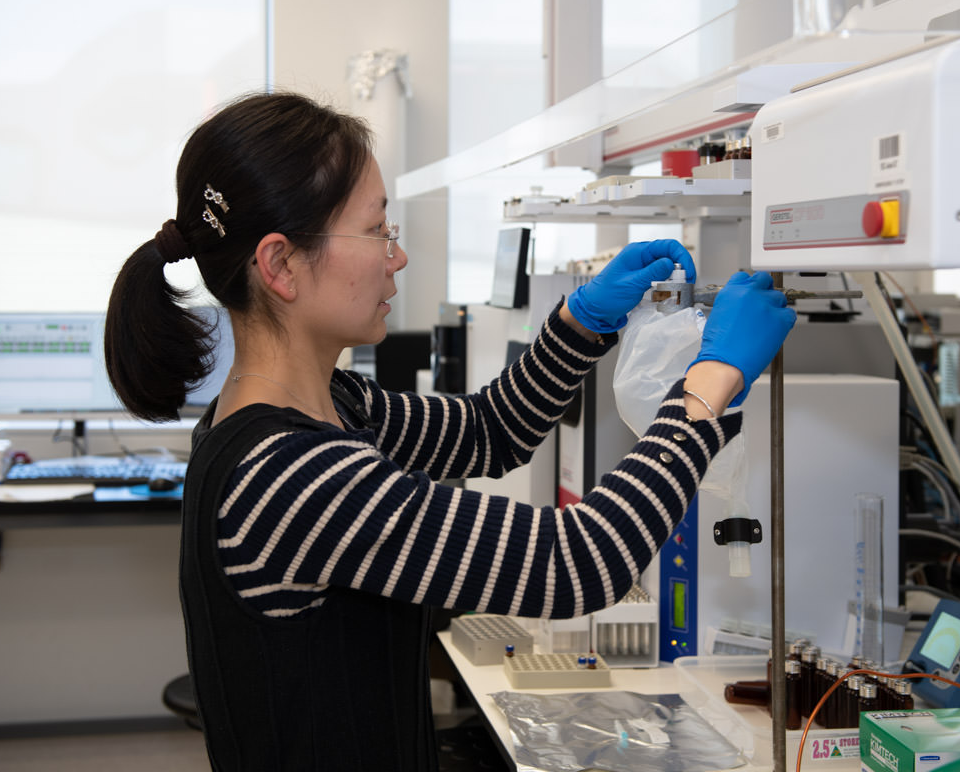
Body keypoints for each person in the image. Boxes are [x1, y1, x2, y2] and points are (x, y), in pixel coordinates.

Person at [104, 91, 796, 772]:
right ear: (281, 264)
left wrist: (581, 322)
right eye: (377, 231)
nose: (395, 258)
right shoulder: (286, 476)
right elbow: (578, 563)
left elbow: (487, 431)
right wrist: (711, 383)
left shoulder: (330, 407)